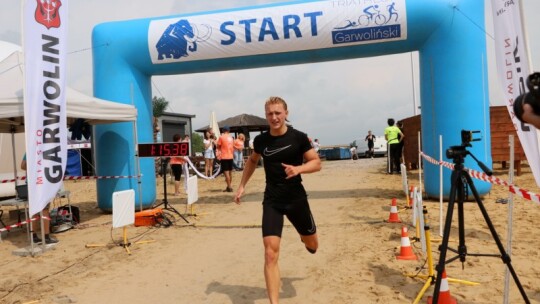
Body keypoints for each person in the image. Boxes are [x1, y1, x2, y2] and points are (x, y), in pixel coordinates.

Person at [235, 96, 321, 304]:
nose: (274, 117)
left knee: (313, 245)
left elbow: (316, 163)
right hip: (272, 200)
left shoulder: (299, 137)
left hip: (296, 199)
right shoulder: (261, 141)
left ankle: (305, 237)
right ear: (266, 115)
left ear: (286, 113)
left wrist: (299, 168)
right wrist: (242, 186)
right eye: (270, 114)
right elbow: (253, 161)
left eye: (277, 113)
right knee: (270, 253)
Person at [21, 154, 59, 244]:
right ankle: (46, 236)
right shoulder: (45, 149)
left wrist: (32, 168)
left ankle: (33, 236)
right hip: (41, 183)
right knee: (45, 210)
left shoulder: (29, 149)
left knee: (34, 210)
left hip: (32, 184)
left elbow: (22, 166)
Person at [216, 125, 234, 192]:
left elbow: (218, 146)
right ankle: (228, 186)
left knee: (226, 172)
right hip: (231, 156)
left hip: (224, 156)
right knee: (230, 172)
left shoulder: (221, 137)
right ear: (228, 131)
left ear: (223, 131)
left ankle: (229, 187)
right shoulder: (231, 137)